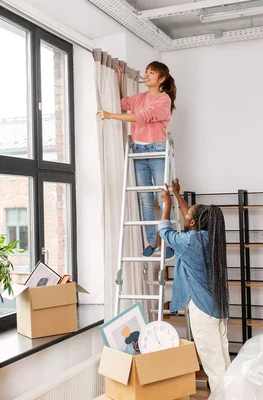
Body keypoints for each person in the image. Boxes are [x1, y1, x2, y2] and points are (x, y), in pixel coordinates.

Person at [97, 61, 177, 259]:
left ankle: (168, 242)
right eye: (146, 72)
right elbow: (122, 102)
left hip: (157, 150)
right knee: (145, 201)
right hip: (139, 150)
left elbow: (141, 117)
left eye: (152, 73)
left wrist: (110, 116)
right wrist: (118, 79)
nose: (147, 75)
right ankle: (151, 242)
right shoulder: (138, 97)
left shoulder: (164, 100)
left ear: (162, 79)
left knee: (162, 198)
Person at [158, 179, 230, 392]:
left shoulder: (190, 241)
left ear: (193, 223)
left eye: (188, 214)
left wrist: (168, 206)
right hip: (217, 306)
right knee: (223, 361)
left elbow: (165, 232)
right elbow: (192, 217)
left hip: (202, 310)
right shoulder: (212, 237)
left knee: (214, 366)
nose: (186, 213)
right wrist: (178, 195)